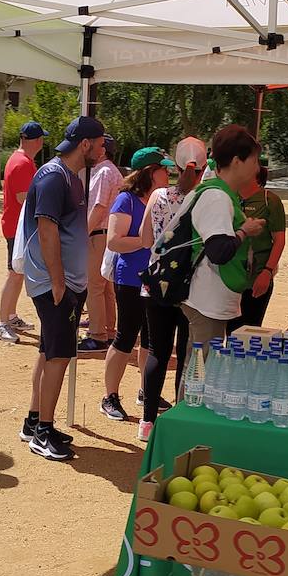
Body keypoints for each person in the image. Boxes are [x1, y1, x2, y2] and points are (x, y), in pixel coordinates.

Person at [18, 115, 105, 461]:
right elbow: (47, 229)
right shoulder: (56, 177)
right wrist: (58, 282)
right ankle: (43, 432)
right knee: (59, 355)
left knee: (48, 350)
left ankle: (35, 421)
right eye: (99, 144)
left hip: (66, 282)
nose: (102, 150)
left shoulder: (69, 177)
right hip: (56, 284)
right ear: (84, 144)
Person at [137, 136, 206, 440]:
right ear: (203, 168)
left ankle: (147, 421)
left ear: (175, 166)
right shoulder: (206, 197)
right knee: (186, 352)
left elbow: (145, 240)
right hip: (191, 285)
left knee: (157, 352)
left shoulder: (158, 196)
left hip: (156, 283)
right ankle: (178, 416)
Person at [98, 147, 174, 422]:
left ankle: (146, 390)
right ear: (149, 172)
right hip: (130, 278)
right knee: (126, 337)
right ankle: (110, 396)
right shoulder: (126, 200)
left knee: (152, 340)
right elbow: (114, 241)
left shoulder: (162, 199)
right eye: (163, 168)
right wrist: (148, 241)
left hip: (154, 280)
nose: (168, 173)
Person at [182, 125, 266, 344]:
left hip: (210, 300)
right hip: (207, 301)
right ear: (237, 161)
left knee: (200, 368)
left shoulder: (221, 194)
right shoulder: (217, 198)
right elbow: (218, 251)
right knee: (203, 372)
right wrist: (244, 231)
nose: (257, 168)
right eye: (254, 161)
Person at [0, 120, 47, 343]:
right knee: (15, 274)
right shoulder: (22, 163)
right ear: (37, 141)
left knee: (18, 273)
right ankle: (2, 323)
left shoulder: (23, 160)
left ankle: (11, 316)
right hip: (17, 226)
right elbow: (22, 196)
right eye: (41, 139)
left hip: (17, 225)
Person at [228, 158, 286, 332]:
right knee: (230, 332)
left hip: (257, 278)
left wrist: (267, 272)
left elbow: (279, 240)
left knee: (251, 332)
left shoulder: (270, 201)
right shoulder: (229, 198)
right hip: (230, 279)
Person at [81, 135, 120, 352]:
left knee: (94, 286)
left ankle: (98, 335)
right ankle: (109, 330)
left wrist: (83, 233)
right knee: (105, 286)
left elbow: (99, 206)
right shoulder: (111, 171)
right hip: (105, 233)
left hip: (99, 233)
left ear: (103, 150)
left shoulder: (104, 172)